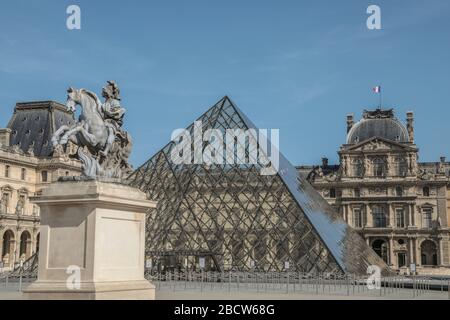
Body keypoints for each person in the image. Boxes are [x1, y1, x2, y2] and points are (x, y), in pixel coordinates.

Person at [99, 81, 126, 157]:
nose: (102, 93)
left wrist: (108, 113)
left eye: (104, 91)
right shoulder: (104, 103)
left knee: (110, 131)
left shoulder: (115, 102)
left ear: (107, 92)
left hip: (113, 122)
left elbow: (118, 112)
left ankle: (106, 150)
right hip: (104, 122)